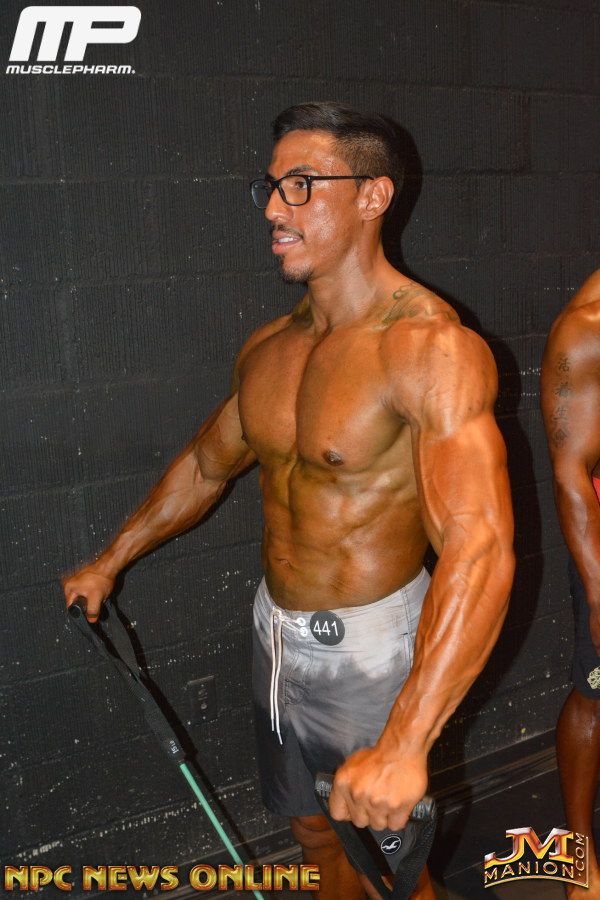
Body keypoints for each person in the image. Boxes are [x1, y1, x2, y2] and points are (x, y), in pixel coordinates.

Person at [63, 102, 515, 899]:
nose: (274, 208)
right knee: (312, 833)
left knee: (390, 869)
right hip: (276, 633)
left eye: (301, 185)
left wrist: (407, 740)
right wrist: (110, 561)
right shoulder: (271, 347)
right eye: (271, 187)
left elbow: (479, 545)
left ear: (373, 196)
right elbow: (206, 466)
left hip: (373, 648)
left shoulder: (427, 348)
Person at [541, 269, 600, 900]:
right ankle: (579, 854)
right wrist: (599, 595)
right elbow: (569, 472)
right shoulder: (585, 330)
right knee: (596, 694)